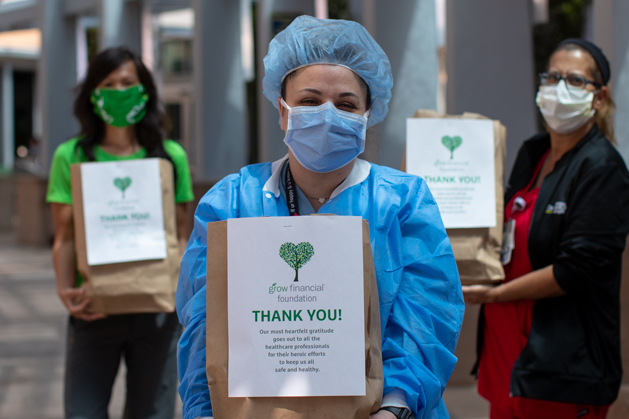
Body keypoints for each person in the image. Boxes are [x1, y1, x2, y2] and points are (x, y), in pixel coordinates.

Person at [177, 16, 464, 419]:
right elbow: (204, 323)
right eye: (310, 101)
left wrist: (396, 407)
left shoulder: (402, 201)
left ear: (367, 116)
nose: (328, 114)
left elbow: (426, 313)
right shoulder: (231, 202)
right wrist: (205, 410)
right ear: (282, 111)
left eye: (346, 104)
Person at [463, 39, 629, 419]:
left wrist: (496, 294)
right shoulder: (533, 152)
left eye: (574, 80)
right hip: (506, 346)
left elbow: (579, 268)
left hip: (560, 360)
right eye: (552, 76)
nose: (559, 87)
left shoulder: (603, 169)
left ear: (599, 97)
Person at [47, 47, 194, 419]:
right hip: (95, 307)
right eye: (108, 84)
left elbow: (181, 234)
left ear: (144, 91)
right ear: (92, 94)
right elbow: (63, 236)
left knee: (153, 413)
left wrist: (181, 300)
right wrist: (66, 290)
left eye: (127, 83)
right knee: (84, 411)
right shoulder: (71, 155)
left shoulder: (170, 156)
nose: (118, 91)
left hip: (156, 313)